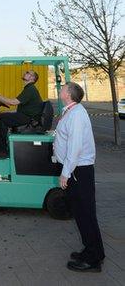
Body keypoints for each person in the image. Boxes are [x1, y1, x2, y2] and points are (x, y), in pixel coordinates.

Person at [54, 82, 105, 273]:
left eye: (63, 88)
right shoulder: (71, 111)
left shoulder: (76, 114)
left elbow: (75, 147)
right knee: (80, 212)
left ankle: (93, 261)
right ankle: (91, 250)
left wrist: (65, 173)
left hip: (77, 171)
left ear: (68, 94)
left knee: (85, 213)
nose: (60, 89)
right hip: (76, 170)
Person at [0, 70, 43, 154]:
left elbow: (13, 102)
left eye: (28, 73)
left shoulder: (30, 89)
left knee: (2, 118)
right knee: (2, 115)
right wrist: (1, 102)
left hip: (29, 119)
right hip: (27, 116)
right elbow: (16, 105)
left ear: (32, 78)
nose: (25, 73)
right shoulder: (28, 89)